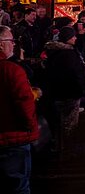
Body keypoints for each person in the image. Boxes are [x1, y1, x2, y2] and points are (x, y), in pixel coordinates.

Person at [0, 26, 39, 194]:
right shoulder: (12, 70)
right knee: (18, 186)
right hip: (13, 138)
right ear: (1, 44)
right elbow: (25, 102)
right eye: (11, 41)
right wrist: (30, 127)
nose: (14, 44)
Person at [43, 26, 85, 149]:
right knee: (69, 124)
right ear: (68, 38)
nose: (75, 38)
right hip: (70, 92)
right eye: (73, 36)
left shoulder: (53, 51)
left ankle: (58, 145)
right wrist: (80, 90)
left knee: (58, 121)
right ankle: (66, 150)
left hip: (56, 92)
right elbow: (75, 74)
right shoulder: (69, 54)